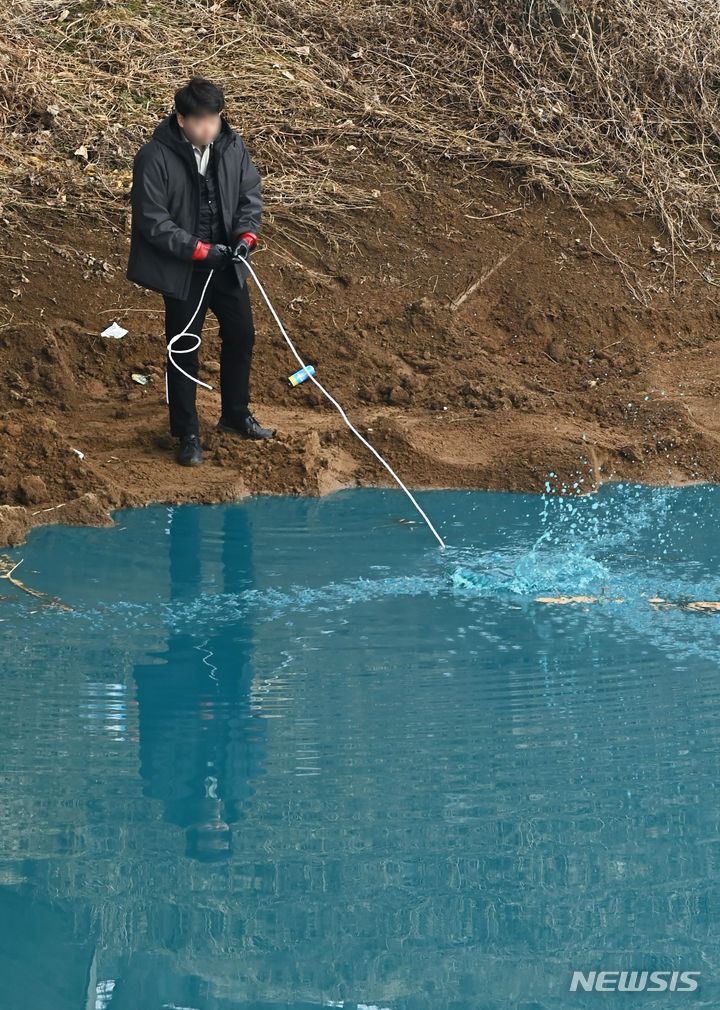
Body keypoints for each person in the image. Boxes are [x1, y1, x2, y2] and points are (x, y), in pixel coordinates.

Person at [126, 76, 276, 466]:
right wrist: (199, 250)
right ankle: (187, 433)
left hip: (227, 263)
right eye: (200, 121)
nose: (209, 128)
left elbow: (250, 196)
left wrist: (246, 238)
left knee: (242, 335)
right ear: (181, 120)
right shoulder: (153, 157)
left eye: (215, 118)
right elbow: (152, 221)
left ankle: (235, 415)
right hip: (184, 270)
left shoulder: (232, 145)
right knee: (183, 351)